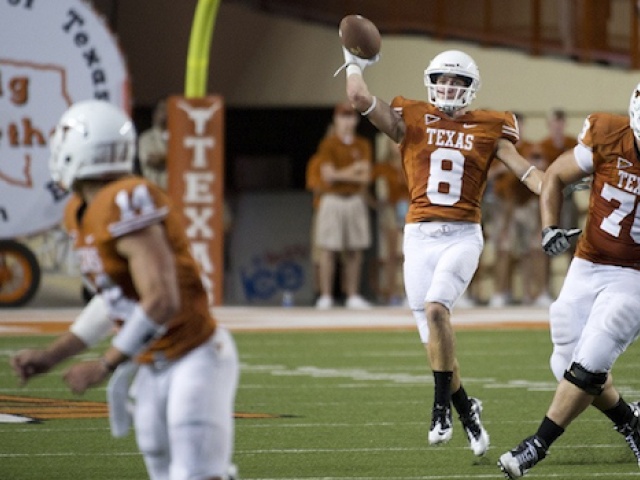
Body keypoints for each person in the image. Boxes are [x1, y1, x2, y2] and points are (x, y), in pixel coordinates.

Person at [10, 100, 239, 480]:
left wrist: (105, 363)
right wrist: (54, 356)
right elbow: (112, 300)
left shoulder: (124, 200)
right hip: (152, 362)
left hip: (193, 355)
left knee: (195, 474)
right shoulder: (80, 209)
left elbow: (162, 298)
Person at [338, 46, 544, 456]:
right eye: (443, 80)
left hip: (462, 234)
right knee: (434, 335)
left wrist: (555, 188)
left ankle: (439, 409)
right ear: (432, 83)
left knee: (436, 310)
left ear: (471, 87)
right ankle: (467, 410)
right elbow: (359, 99)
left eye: (457, 81)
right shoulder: (411, 117)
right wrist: (352, 59)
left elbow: (526, 171)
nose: (449, 87)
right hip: (417, 235)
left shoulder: (489, 125)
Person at [498, 83, 640, 478]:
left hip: (635, 275)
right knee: (565, 359)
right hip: (589, 261)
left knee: (594, 355)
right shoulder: (609, 134)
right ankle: (631, 421)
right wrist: (548, 228)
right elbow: (557, 176)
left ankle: (536, 445)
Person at [312, 102, 373, 310]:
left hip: (354, 199)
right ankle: (326, 295)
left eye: (350, 117)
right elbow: (327, 177)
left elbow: (365, 177)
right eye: (343, 117)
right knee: (328, 249)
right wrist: (353, 170)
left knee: (355, 249)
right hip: (332, 199)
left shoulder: (362, 144)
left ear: (355, 120)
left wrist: (344, 174)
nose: (347, 121)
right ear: (336, 120)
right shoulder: (328, 144)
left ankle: (353, 294)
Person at [138, 98, 168, 190]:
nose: (166, 113)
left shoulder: (180, 138)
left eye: (169, 109)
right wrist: (175, 157)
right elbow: (152, 160)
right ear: (155, 114)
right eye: (163, 109)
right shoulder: (146, 137)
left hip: (175, 192)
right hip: (154, 191)